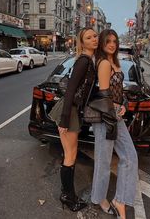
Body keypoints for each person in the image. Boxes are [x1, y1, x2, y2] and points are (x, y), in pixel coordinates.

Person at [91, 29, 138, 218]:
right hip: (105, 117)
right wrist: (115, 110)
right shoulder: (103, 63)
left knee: (130, 156)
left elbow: (118, 90)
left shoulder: (114, 62)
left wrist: (123, 105)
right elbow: (104, 94)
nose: (112, 44)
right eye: (108, 41)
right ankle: (99, 198)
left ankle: (120, 200)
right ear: (102, 43)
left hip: (115, 116)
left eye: (114, 41)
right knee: (103, 161)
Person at [58, 27, 98, 212]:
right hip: (69, 111)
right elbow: (71, 90)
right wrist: (65, 119)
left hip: (73, 111)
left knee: (70, 154)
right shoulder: (83, 61)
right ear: (82, 43)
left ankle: (67, 193)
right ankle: (68, 196)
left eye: (95, 36)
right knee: (70, 155)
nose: (94, 39)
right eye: (88, 38)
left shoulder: (90, 60)